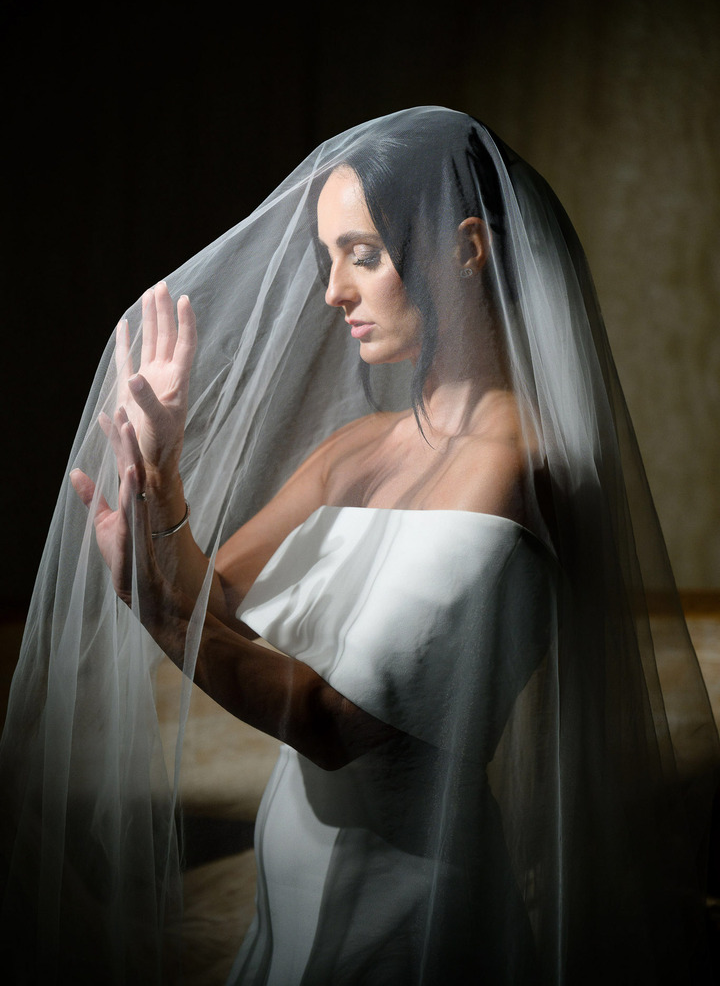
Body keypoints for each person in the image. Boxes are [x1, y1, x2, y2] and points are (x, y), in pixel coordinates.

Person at [0, 107, 717, 985]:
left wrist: (151, 610)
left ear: (467, 249)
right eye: (329, 256)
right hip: (291, 878)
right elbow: (211, 597)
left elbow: (334, 724)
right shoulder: (359, 447)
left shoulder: (512, 472)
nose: (334, 290)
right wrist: (165, 478)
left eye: (362, 254)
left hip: (409, 910)